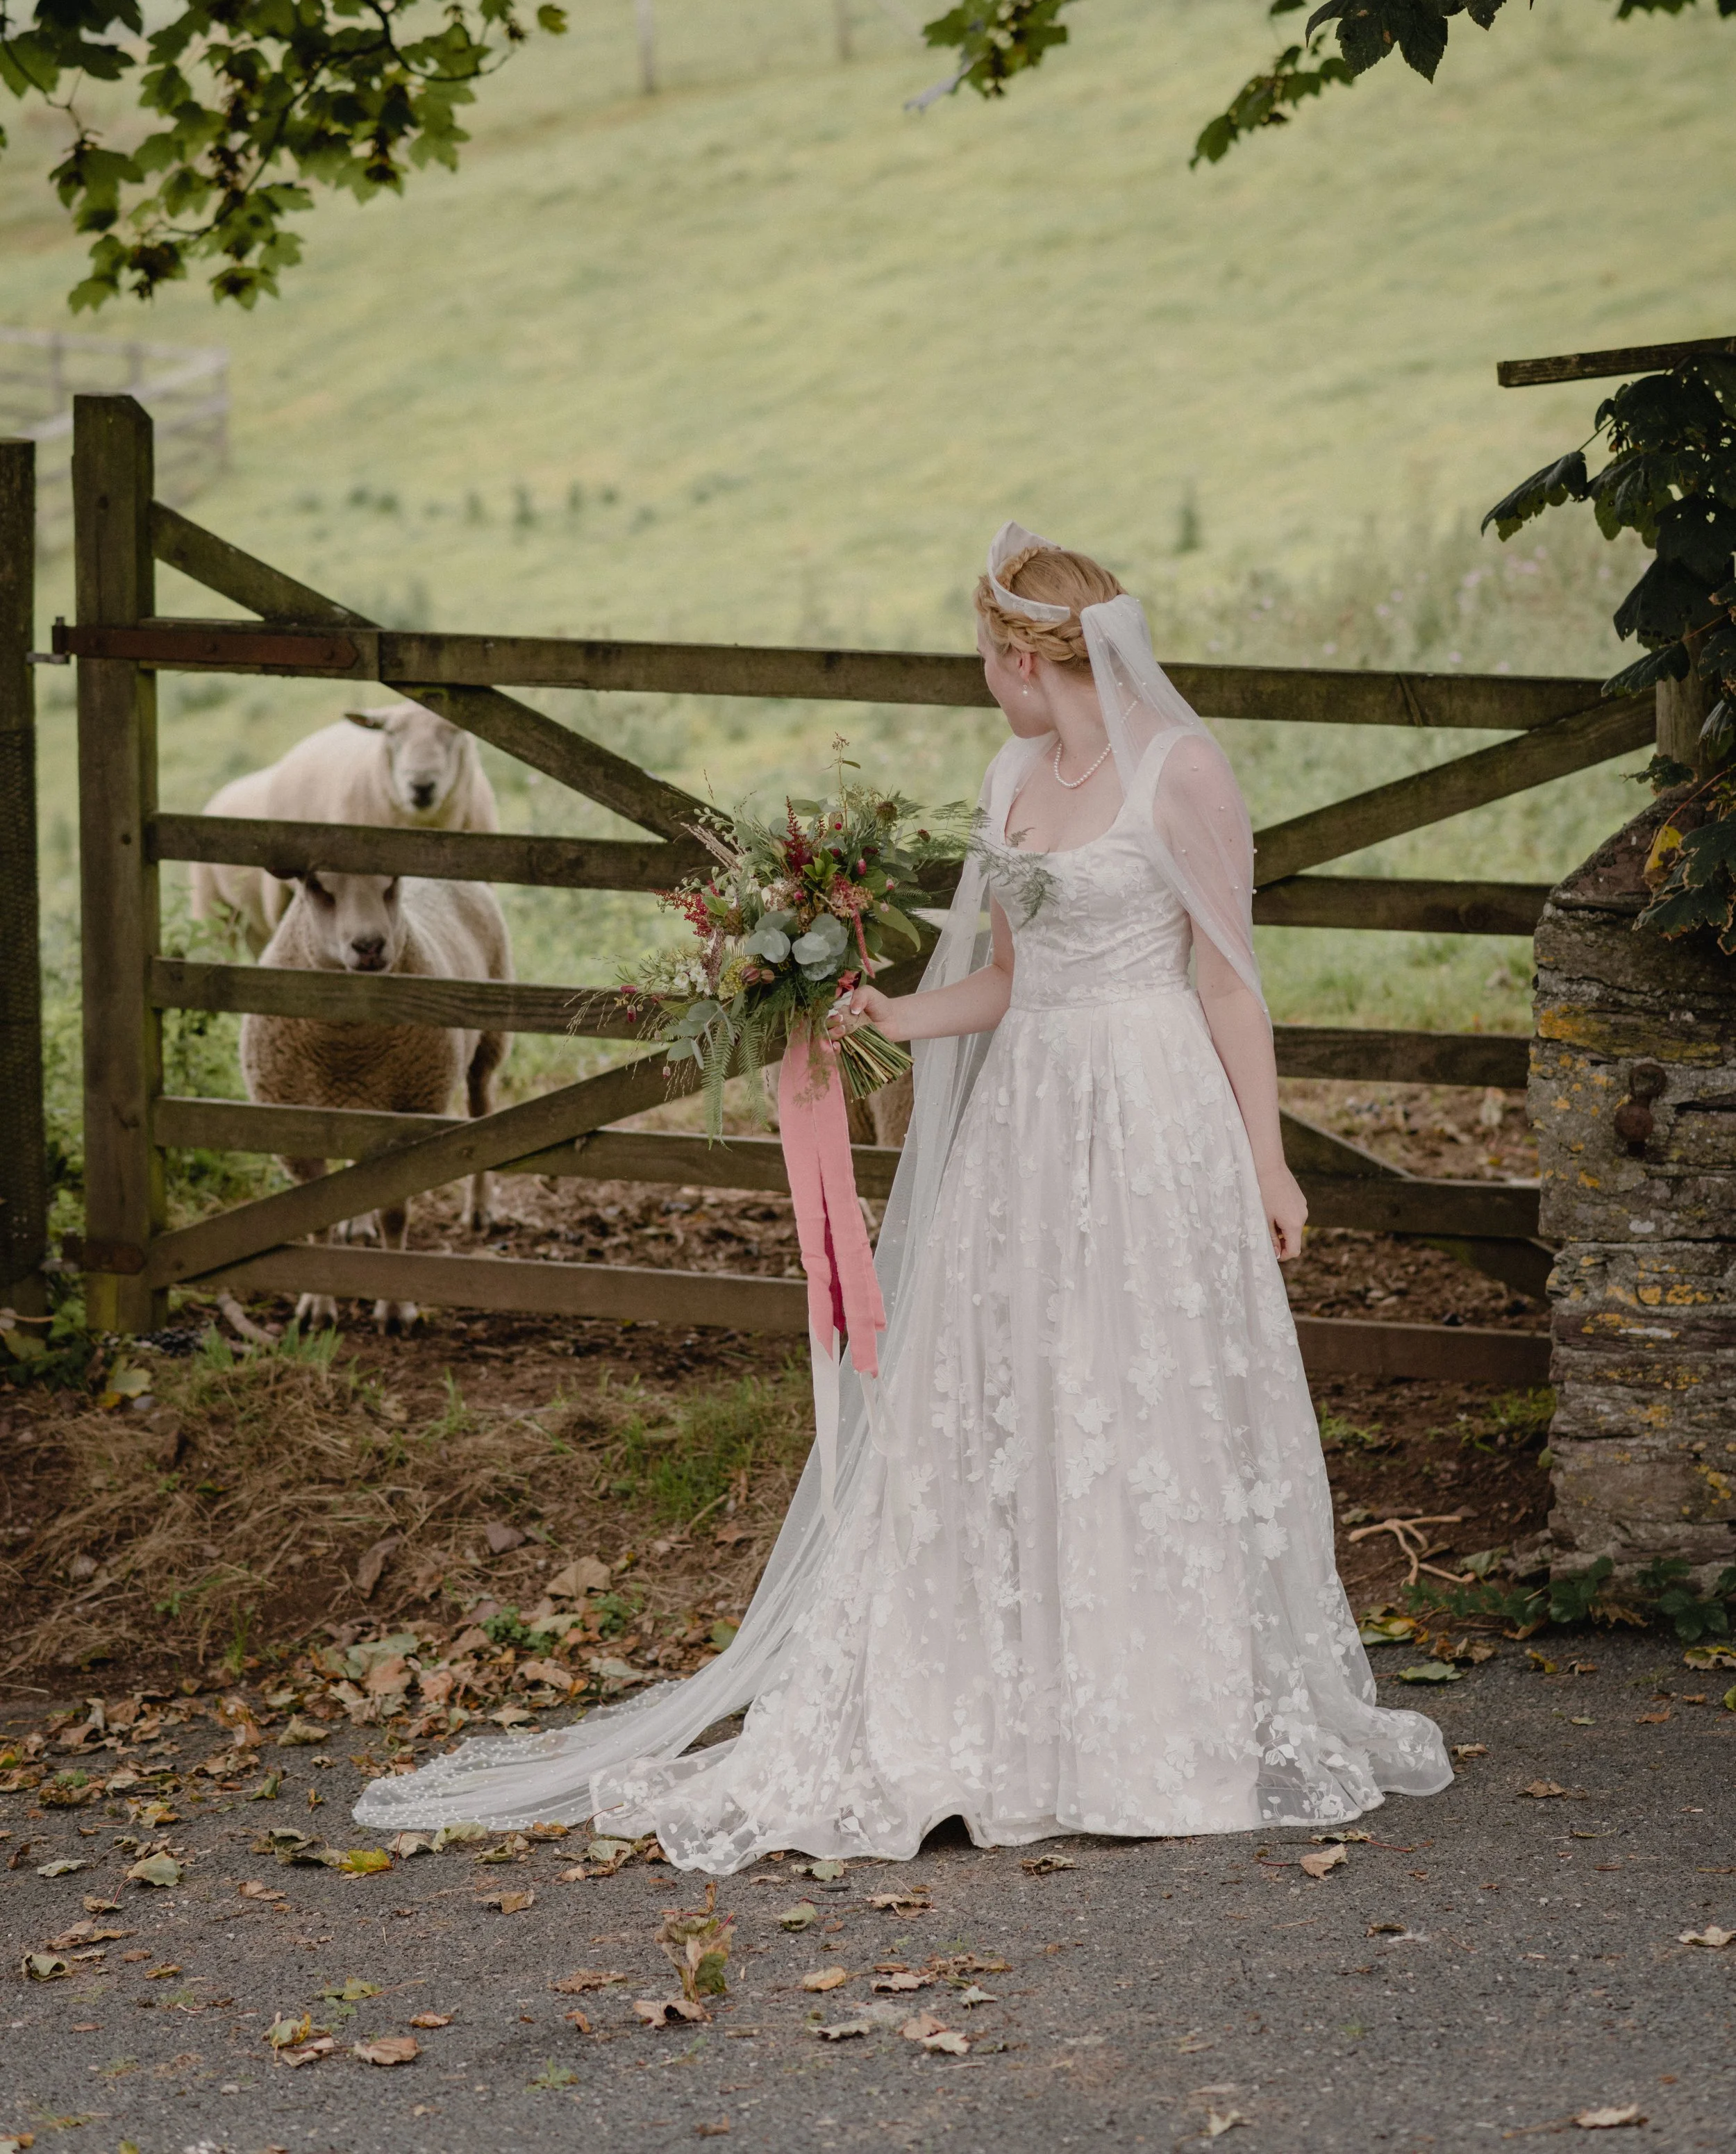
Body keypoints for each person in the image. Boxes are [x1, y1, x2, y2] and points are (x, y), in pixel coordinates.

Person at [355, 525, 1451, 1869]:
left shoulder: (1181, 773)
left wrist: (1266, 1160)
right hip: (1027, 1120)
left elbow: (1227, 980)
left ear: (1023, 654)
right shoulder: (1009, 778)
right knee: (1011, 1387)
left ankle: (1158, 1716)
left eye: (985, 658)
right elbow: (1004, 977)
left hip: (1149, 1111)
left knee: (1137, 1387)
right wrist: (891, 1011)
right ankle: (1012, 1703)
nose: (980, 682)